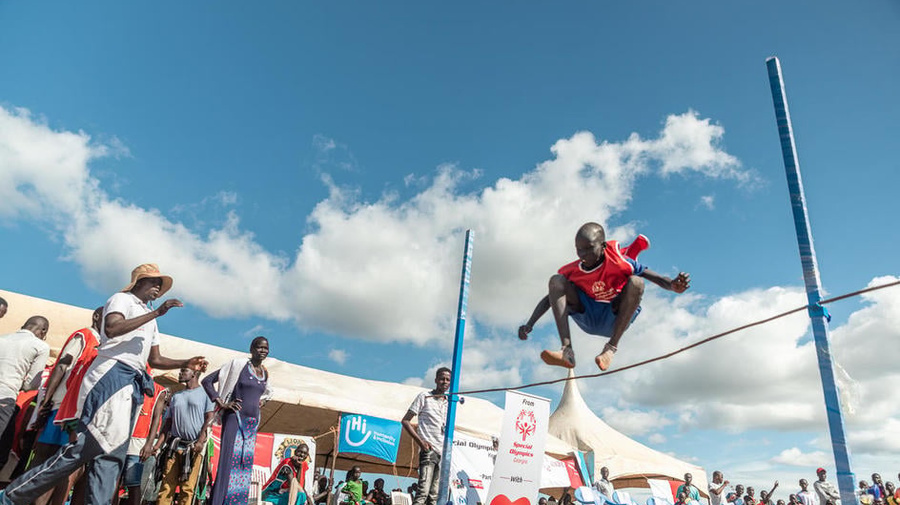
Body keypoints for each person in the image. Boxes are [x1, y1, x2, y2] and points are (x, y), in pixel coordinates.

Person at [0, 263, 206, 505]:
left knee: (113, 454)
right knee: (89, 445)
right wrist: (156, 313)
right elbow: (112, 327)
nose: (158, 288)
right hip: (111, 375)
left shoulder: (150, 320)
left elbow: (155, 359)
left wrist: (187, 361)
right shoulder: (122, 299)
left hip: (133, 384)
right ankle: (16, 494)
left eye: (161, 285)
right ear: (139, 282)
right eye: (154, 282)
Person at [518, 223, 690, 370]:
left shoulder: (620, 263)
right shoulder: (574, 271)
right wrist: (530, 323)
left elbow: (657, 278)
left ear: (603, 246)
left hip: (614, 318)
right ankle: (566, 351)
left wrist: (673, 286)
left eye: (589, 248)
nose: (583, 254)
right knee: (556, 281)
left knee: (636, 282)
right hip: (588, 314)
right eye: (579, 250)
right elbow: (550, 297)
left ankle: (610, 349)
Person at [202, 336, 273, 505]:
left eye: (266, 348)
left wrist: (262, 401)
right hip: (235, 418)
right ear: (251, 348)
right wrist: (222, 403)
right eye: (259, 347)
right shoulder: (238, 366)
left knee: (243, 465)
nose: (263, 350)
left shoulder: (264, 373)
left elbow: (267, 392)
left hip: (251, 424)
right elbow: (207, 381)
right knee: (228, 463)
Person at [157, 364, 215, 505]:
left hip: (193, 448)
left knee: (187, 489)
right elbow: (168, 424)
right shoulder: (176, 397)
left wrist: (201, 441)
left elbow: (209, 419)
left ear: (194, 373)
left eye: (184, 371)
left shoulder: (205, 395)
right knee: (166, 486)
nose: (180, 373)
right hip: (174, 446)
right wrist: (158, 445)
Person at [401, 368, 451, 505]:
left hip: (443, 452)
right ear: (435, 380)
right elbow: (405, 421)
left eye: (447, 380)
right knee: (423, 491)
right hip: (429, 450)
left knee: (434, 495)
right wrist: (421, 442)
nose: (444, 382)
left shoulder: (449, 402)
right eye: (442, 378)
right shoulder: (424, 396)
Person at [0, 316, 50, 438]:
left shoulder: (3, 338)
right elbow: (32, 384)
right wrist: (20, 385)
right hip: (5, 396)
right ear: (43, 331)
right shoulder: (41, 346)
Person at [121, 377, 168, 505]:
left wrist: (149, 444)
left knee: (133, 482)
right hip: (120, 437)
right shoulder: (129, 381)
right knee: (113, 481)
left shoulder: (159, 390)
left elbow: (156, 418)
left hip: (139, 440)